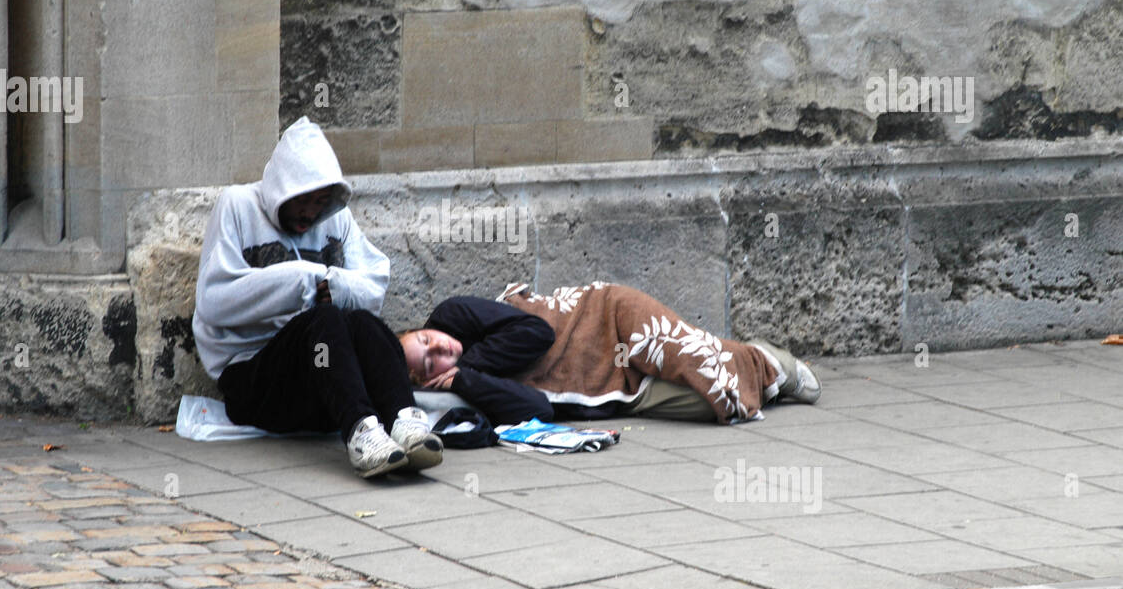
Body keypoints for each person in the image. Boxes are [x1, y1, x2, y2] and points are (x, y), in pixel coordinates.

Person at [191, 116, 442, 477]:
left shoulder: (335, 221)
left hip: (322, 385)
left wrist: (338, 286)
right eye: (302, 200)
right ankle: (361, 434)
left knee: (362, 322)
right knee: (325, 320)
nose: (310, 212)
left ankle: (405, 420)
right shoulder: (237, 206)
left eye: (320, 201)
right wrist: (305, 281)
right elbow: (215, 300)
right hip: (256, 384)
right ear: (282, 189)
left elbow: (373, 286)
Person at [399, 281, 820, 426]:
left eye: (424, 339)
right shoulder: (461, 388)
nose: (437, 348)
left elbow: (535, 331)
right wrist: (468, 381)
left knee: (686, 356)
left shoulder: (452, 315)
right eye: (429, 361)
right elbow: (538, 409)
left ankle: (768, 361)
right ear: (426, 380)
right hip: (608, 384)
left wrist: (468, 365)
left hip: (602, 317)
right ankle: (755, 370)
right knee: (714, 402)